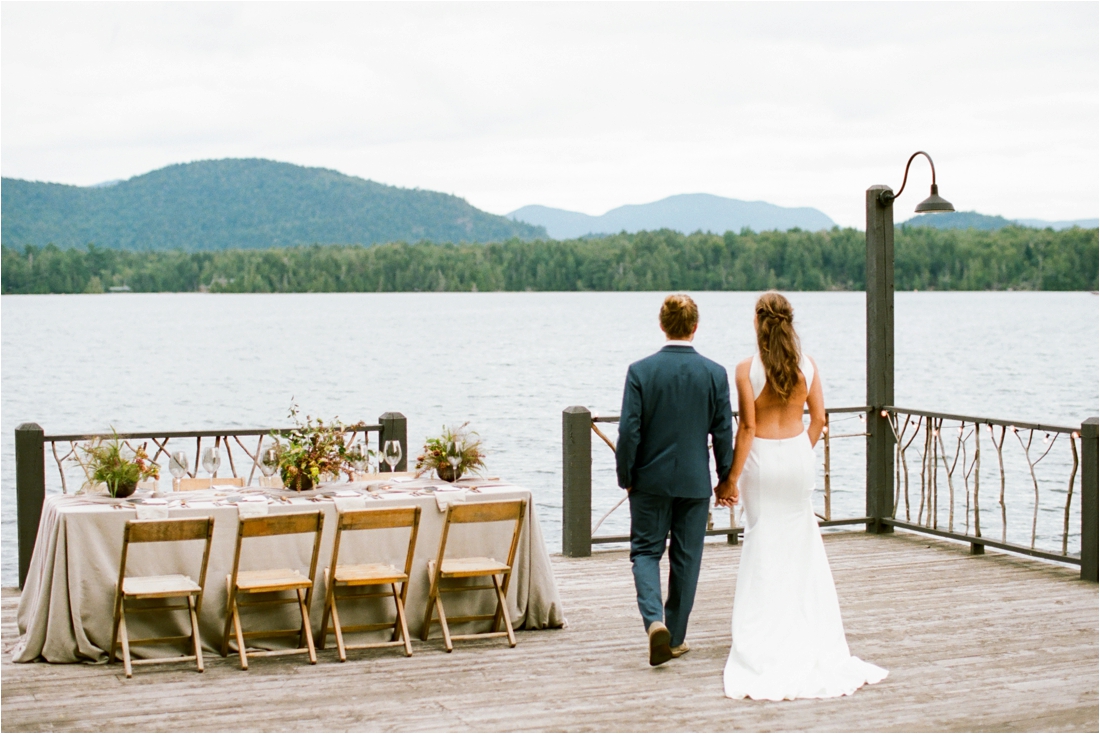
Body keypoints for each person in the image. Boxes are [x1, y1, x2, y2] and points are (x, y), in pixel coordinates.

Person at [715, 291, 888, 700]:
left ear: (758, 321)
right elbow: (820, 420)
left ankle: (764, 633)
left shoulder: (745, 370)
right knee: (801, 542)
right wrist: (798, 450)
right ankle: (809, 629)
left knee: (762, 539)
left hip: (760, 461)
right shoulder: (807, 367)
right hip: (797, 457)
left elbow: (747, 430)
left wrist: (731, 479)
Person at [616, 294, 734, 666]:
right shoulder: (714, 373)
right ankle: (676, 636)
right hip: (694, 482)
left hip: (649, 481)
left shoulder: (641, 371)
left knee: (647, 552)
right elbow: (723, 433)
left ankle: (654, 621)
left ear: (662, 324)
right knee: (686, 558)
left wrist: (626, 477)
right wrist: (724, 479)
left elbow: (629, 431)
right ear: (695, 326)